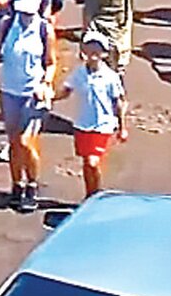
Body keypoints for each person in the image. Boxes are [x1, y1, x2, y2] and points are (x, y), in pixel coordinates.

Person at [0, 0, 55, 214]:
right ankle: (17, 185)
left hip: (31, 93)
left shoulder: (44, 29)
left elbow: (50, 62)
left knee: (27, 141)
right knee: (14, 142)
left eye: (29, 12)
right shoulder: (7, 25)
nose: (26, 16)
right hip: (9, 91)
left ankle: (32, 184)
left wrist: (45, 83)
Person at [54, 31, 127, 200]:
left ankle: (96, 194)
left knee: (92, 162)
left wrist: (122, 127)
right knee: (87, 163)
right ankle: (91, 195)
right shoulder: (79, 73)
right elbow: (65, 91)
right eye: (89, 48)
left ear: (104, 53)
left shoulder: (111, 77)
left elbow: (119, 102)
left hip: (102, 126)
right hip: (82, 124)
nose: (93, 53)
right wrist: (47, 98)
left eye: (97, 49)